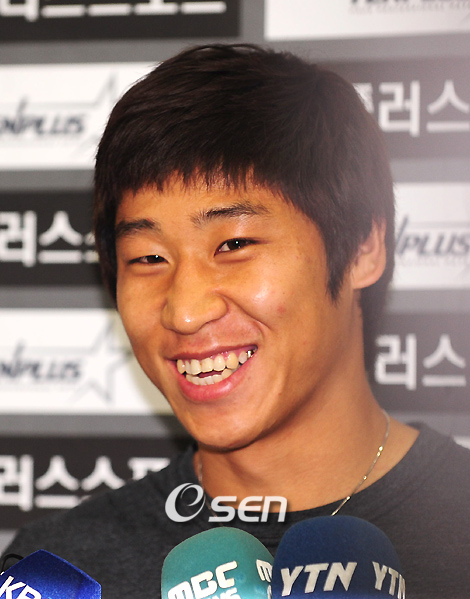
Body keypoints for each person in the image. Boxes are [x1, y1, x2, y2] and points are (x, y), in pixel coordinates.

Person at [3, 43, 470, 598]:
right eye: (148, 258)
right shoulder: (58, 575)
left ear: (363, 247)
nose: (185, 310)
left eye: (233, 244)